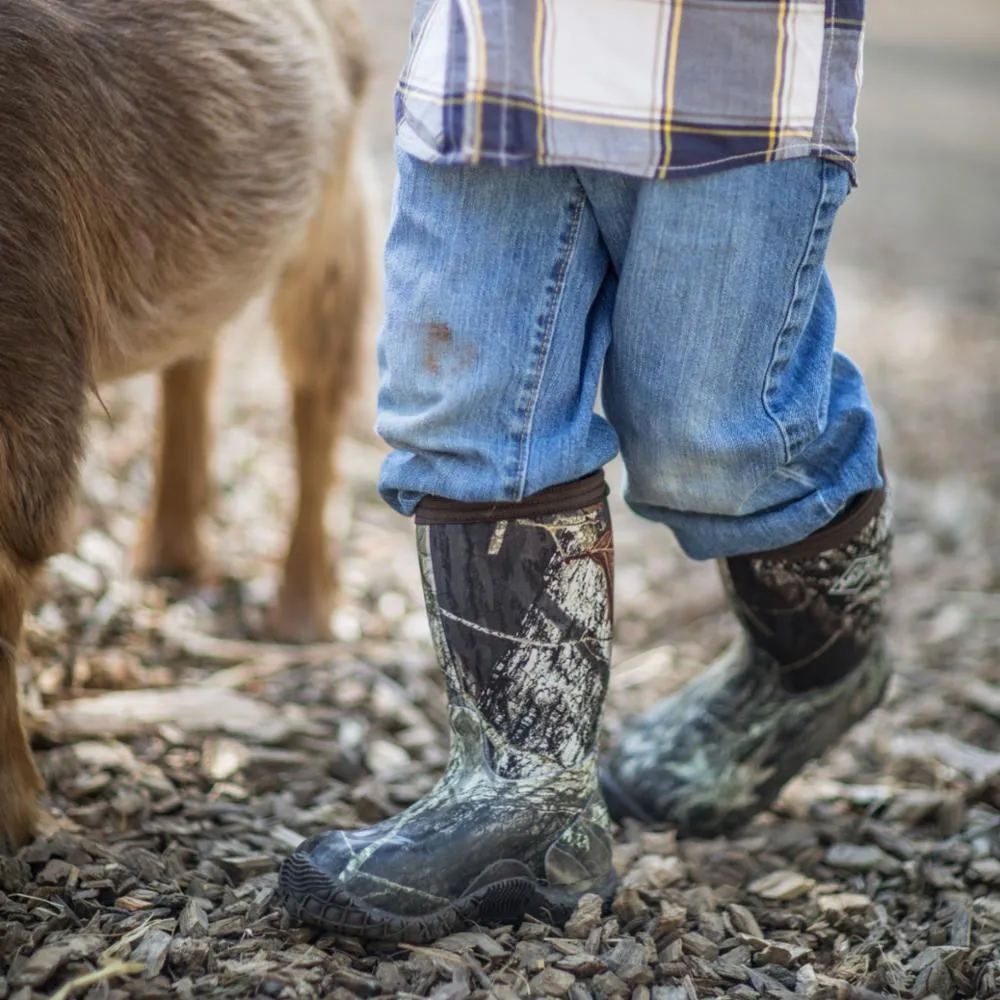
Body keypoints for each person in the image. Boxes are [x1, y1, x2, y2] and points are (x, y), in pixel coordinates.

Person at [278, 0, 890, 943]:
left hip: (731, 67)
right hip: (497, 59)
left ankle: (817, 667)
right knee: (465, 412)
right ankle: (526, 801)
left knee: (713, 441)